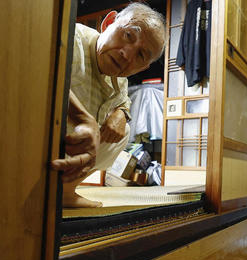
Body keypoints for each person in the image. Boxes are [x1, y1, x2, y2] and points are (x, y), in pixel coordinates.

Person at [51, 3, 166, 207]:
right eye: (128, 35)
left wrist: (121, 114)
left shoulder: (120, 79)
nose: (127, 54)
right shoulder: (70, 38)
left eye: (140, 55)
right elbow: (41, 69)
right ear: (108, 23)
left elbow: (125, 101)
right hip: (31, 141)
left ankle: (64, 191)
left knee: (123, 131)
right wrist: (81, 117)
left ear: (144, 67)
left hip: (66, 156)